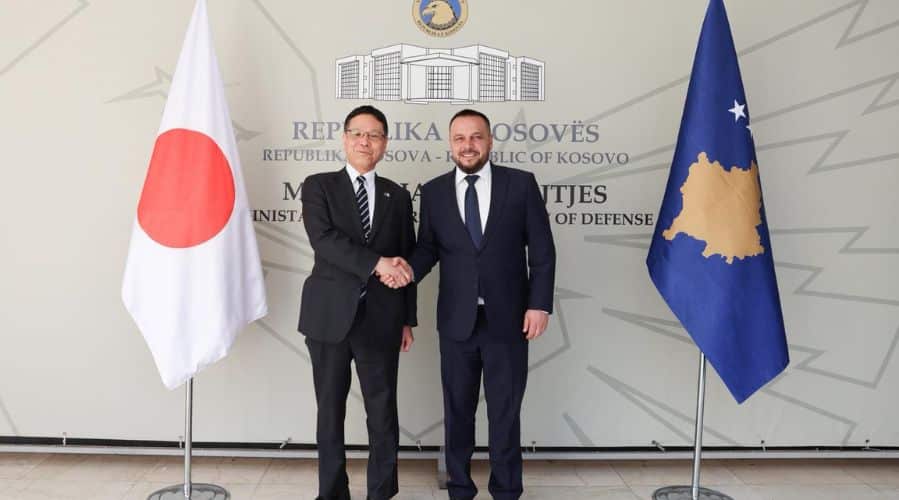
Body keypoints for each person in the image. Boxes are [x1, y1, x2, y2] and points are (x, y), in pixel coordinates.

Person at [404, 109, 556, 500]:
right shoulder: (434, 191)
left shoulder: (520, 184)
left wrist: (539, 305)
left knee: (505, 412)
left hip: (509, 320)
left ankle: (506, 491)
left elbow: (542, 251)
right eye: (459, 138)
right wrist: (403, 273)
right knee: (457, 411)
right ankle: (459, 489)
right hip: (457, 322)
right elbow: (427, 249)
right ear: (450, 143)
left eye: (475, 137)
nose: (467, 145)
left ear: (489, 141)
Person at [298, 105, 416, 500]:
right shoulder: (319, 186)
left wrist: (407, 318)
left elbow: (406, 255)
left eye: (374, 135)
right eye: (358, 133)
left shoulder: (398, 195)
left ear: (385, 144)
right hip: (328, 317)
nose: (365, 141)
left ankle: (381, 493)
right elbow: (324, 242)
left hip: (382, 319)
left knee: (382, 414)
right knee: (330, 412)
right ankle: (332, 493)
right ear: (345, 138)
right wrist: (377, 263)